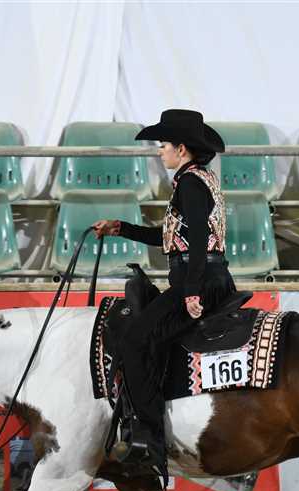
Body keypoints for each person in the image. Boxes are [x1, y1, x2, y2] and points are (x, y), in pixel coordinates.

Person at [92, 109, 235, 471]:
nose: (160, 151)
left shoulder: (189, 184)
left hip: (199, 281)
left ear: (181, 149)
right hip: (208, 277)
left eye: (163, 145)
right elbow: (169, 238)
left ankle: (150, 441)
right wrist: (121, 228)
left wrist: (192, 291)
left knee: (134, 342)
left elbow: (199, 240)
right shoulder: (198, 179)